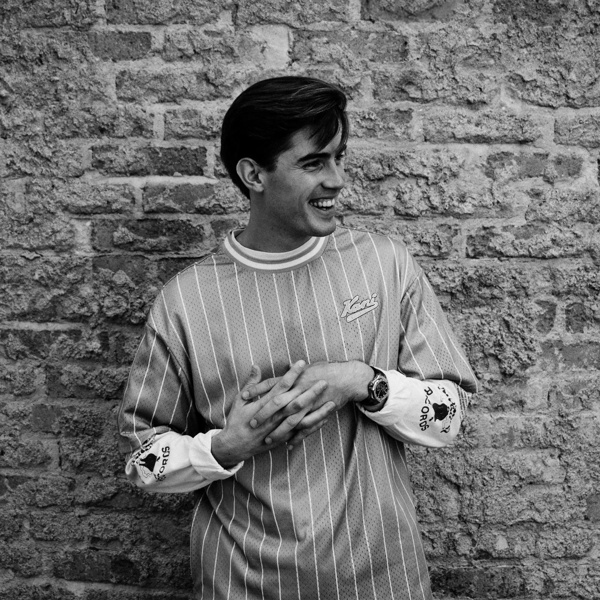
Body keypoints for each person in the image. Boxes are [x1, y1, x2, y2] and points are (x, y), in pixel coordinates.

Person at [118, 76, 478, 600]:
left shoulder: (385, 265)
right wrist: (226, 446)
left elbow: (451, 417)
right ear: (254, 174)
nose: (337, 180)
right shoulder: (185, 302)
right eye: (313, 163)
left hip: (383, 579)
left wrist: (364, 382)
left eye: (338, 158)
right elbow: (142, 461)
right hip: (242, 584)